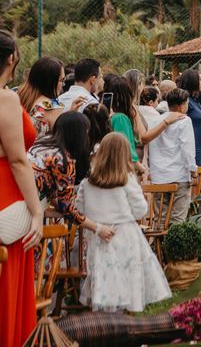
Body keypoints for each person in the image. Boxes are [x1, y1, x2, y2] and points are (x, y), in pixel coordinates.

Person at [76, 132, 171, 312]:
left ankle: (106, 311)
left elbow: (79, 209)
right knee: (128, 274)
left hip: (99, 236)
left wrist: (97, 224)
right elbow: (140, 210)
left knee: (105, 276)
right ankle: (127, 310)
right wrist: (146, 201)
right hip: (126, 236)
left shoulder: (87, 183)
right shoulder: (126, 180)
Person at [0, 31, 42, 347]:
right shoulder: (6, 98)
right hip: (7, 199)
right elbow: (17, 159)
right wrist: (37, 212)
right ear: (12, 58)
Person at [28, 111, 115, 239]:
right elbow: (68, 208)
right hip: (27, 210)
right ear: (78, 135)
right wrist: (98, 228)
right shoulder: (63, 160)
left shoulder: (42, 143)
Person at [148, 88, 197, 223]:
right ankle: (174, 245)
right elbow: (187, 149)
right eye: (187, 103)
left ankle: (159, 244)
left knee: (160, 220)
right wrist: (193, 171)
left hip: (159, 176)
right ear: (181, 106)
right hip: (179, 175)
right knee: (177, 219)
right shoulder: (185, 120)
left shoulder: (154, 121)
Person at [18, 56, 84, 139]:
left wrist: (68, 113)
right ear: (49, 82)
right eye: (61, 80)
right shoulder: (52, 106)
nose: (63, 85)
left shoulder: (21, 96)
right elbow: (63, 138)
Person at [179, 69, 201, 167]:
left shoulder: (196, 101)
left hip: (200, 149)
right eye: (199, 80)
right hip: (191, 149)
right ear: (193, 83)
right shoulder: (186, 102)